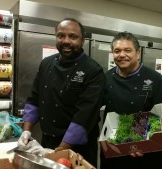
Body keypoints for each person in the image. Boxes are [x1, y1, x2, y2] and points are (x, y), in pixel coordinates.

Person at [17, 18, 105, 167]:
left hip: (78, 149)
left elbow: (83, 118)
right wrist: (26, 133)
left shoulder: (93, 71)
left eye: (73, 36)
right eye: (61, 36)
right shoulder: (46, 63)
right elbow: (34, 99)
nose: (66, 41)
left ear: (83, 40)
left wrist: (58, 152)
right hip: (47, 140)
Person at [100, 32, 162, 169]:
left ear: (138, 53)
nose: (122, 54)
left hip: (146, 153)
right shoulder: (106, 78)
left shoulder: (154, 79)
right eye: (117, 51)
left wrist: (141, 142)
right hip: (114, 152)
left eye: (127, 50)